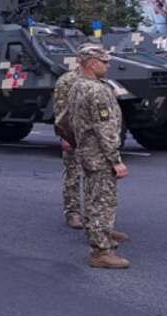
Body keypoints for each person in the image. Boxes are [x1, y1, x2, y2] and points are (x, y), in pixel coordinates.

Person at [66, 44, 131, 269]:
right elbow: (105, 128)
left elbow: (67, 120)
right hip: (100, 155)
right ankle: (101, 251)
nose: (108, 65)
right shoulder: (96, 90)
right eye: (104, 62)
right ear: (92, 64)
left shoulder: (77, 85)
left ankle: (102, 235)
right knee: (103, 202)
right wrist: (116, 160)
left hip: (87, 151)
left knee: (93, 198)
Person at [52, 69, 84, 229]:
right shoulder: (67, 80)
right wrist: (65, 136)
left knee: (96, 177)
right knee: (73, 174)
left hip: (94, 136)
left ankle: (96, 216)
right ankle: (72, 212)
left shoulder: (100, 79)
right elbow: (61, 110)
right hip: (74, 135)